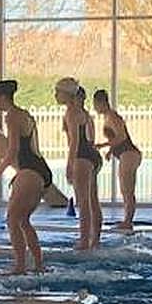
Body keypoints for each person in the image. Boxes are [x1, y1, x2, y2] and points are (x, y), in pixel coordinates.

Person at [0, 78, 50, 274]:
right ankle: (38, 265)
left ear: (3, 97)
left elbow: (13, 150)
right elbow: (29, 149)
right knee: (23, 220)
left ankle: (20, 266)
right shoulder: (25, 114)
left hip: (30, 170)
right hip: (38, 169)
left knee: (13, 219)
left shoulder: (12, 116)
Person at [56, 77, 102, 251]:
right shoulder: (85, 114)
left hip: (81, 157)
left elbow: (74, 141)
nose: (55, 95)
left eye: (58, 92)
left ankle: (84, 241)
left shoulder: (71, 113)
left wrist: (70, 164)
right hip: (92, 156)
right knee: (92, 201)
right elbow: (91, 138)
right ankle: (95, 240)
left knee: (83, 202)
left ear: (67, 94)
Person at [93, 87, 143, 230]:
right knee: (125, 190)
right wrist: (110, 150)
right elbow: (117, 138)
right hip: (125, 154)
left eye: (95, 105)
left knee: (127, 190)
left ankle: (128, 222)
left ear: (101, 102)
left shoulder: (113, 117)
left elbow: (121, 137)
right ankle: (127, 220)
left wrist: (103, 145)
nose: (95, 108)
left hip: (129, 154)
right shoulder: (109, 117)